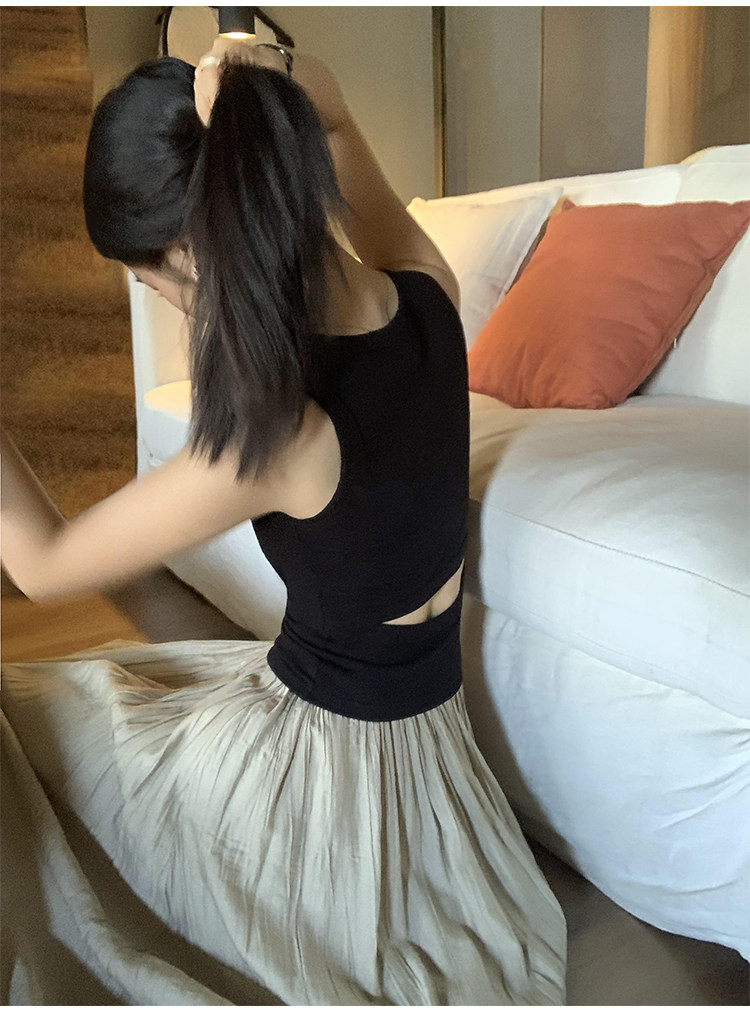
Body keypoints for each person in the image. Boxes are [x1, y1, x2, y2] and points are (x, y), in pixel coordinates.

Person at [0, 38, 567, 1005]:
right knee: (115, 658)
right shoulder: (429, 295)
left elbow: (42, 564)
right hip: (432, 764)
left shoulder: (278, 436)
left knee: (32, 722)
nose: (156, 297)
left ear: (189, 252)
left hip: (333, 791)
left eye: (149, 279)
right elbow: (333, 115)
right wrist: (268, 79)